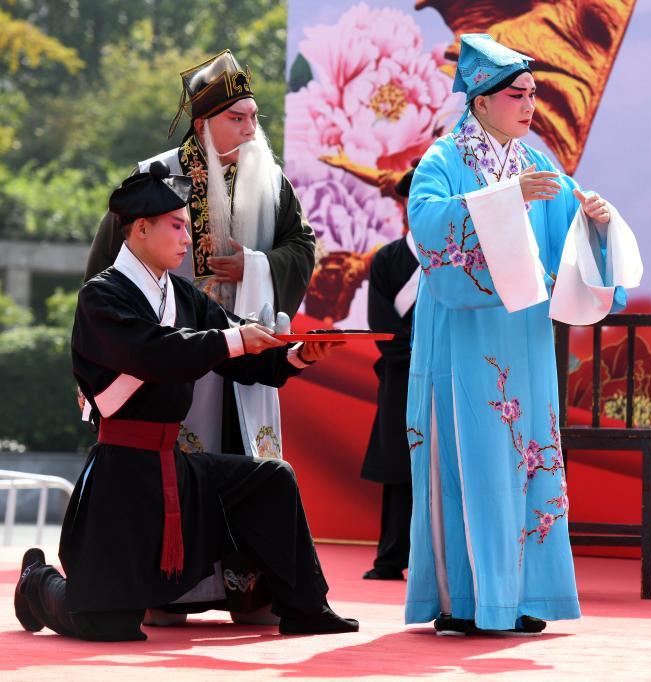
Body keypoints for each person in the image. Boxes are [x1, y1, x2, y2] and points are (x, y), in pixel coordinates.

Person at [14, 162, 357, 641]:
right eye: (176, 226)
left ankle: (305, 606)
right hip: (122, 475)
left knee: (271, 477)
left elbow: (241, 357)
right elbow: (153, 353)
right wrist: (235, 339)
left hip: (174, 467)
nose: (187, 239)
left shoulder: (181, 295)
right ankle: (36, 583)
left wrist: (297, 355)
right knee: (108, 624)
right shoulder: (101, 296)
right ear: (140, 229)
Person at [404, 34, 642, 635]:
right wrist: (503, 199)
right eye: (518, 94)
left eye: (534, 93)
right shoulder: (442, 159)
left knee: (527, 448)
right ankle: (466, 601)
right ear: (481, 100)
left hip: (526, 332)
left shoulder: (538, 165)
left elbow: (565, 243)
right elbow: (427, 224)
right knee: (471, 452)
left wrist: (597, 227)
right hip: (463, 328)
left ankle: (523, 595)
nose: (530, 105)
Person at [84, 49, 316, 625]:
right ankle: (171, 590)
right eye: (237, 117)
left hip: (246, 349)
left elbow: (302, 247)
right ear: (203, 122)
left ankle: (252, 593)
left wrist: (257, 266)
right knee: (180, 469)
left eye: (255, 116)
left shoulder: (271, 179)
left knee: (252, 465)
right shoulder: (155, 177)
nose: (251, 128)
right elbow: (107, 267)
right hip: (172, 356)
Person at [361, 167, 420, 581]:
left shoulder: (459, 258)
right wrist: (421, 359)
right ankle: (391, 555)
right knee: (401, 465)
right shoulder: (387, 259)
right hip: (403, 374)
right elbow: (382, 325)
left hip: (455, 375)